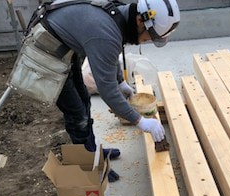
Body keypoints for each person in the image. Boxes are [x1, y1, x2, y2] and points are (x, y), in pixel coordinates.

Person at [43, 0, 180, 182]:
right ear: (140, 21)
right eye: (148, 37)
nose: (146, 41)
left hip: (64, 45)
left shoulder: (119, 17)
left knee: (84, 100)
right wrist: (140, 121)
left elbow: (111, 53)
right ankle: (90, 166)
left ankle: (91, 151)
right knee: (77, 114)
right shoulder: (105, 34)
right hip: (46, 52)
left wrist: (120, 81)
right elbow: (107, 90)